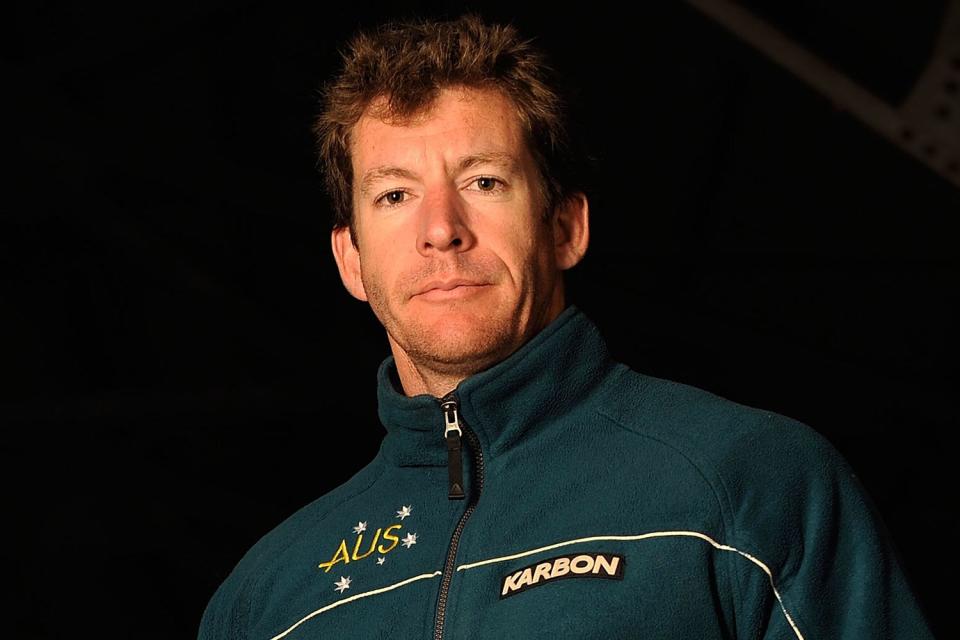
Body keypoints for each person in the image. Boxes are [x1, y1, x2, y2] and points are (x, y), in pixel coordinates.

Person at [199, 14, 934, 639]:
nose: (441, 231)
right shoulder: (267, 599)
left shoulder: (750, 482)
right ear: (350, 260)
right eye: (394, 194)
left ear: (565, 227)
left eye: (484, 182)